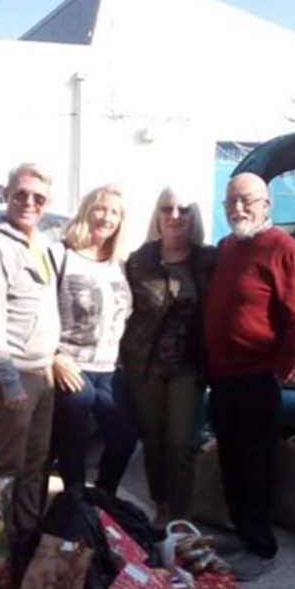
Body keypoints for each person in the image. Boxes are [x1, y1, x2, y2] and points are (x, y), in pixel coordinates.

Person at [204, 172, 295, 581]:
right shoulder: (227, 247)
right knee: (230, 463)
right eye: (230, 201)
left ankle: (261, 547)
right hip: (223, 379)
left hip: (256, 379)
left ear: (267, 204)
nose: (237, 208)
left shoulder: (284, 248)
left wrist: (276, 372)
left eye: (246, 200)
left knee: (255, 466)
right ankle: (242, 533)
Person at [0, 162, 60, 580]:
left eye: (38, 197)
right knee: (7, 467)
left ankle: (24, 546)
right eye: (21, 194)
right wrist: (6, 380)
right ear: (6, 195)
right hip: (16, 375)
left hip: (42, 373)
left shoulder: (40, 243)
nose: (28, 202)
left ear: (47, 203)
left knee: (36, 465)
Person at [119, 187, 216, 530]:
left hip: (188, 366)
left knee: (180, 441)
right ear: (157, 216)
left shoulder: (207, 260)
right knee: (153, 439)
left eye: (183, 209)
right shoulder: (139, 259)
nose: (175, 216)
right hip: (144, 364)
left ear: (195, 216)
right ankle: (161, 507)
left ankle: (181, 515)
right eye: (167, 208)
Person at [50, 183, 137, 497]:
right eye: (100, 208)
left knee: (123, 438)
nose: (107, 217)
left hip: (110, 367)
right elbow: (41, 311)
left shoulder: (120, 262)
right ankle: (74, 503)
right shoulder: (61, 254)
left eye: (114, 212)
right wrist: (54, 357)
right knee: (74, 433)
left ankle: (102, 499)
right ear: (86, 210)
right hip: (71, 363)